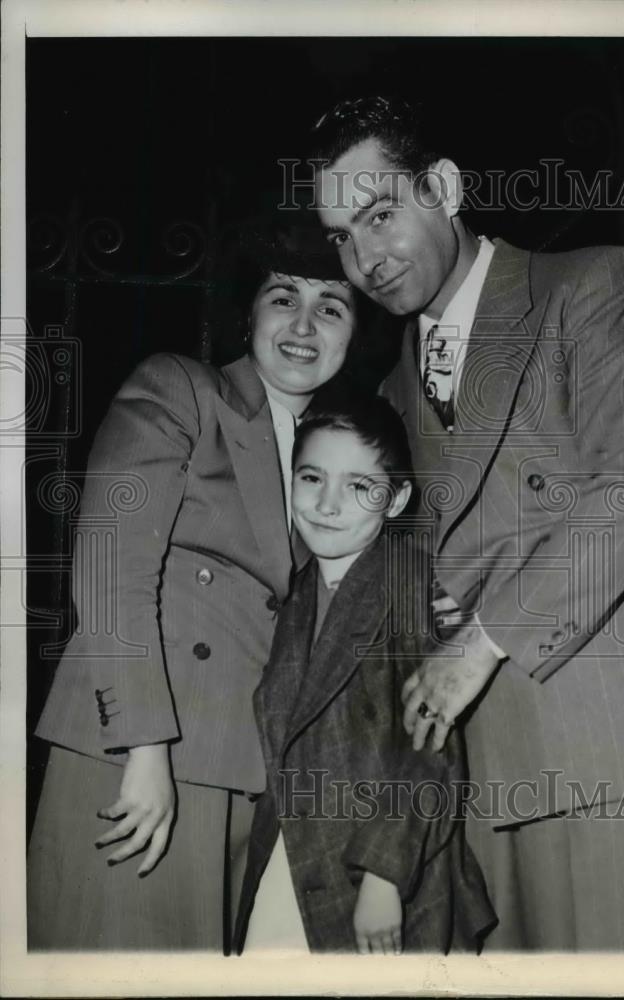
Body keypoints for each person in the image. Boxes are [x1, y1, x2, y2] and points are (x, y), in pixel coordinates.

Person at [310, 96, 624, 951]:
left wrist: (479, 639)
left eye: (380, 214)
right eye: (341, 236)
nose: (365, 258)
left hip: (620, 738)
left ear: (445, 187)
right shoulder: (389, 395)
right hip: (489, 765)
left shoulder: (595, 285)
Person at [27, 214, 358, 951]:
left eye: (331, 306)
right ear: (248, 314)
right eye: (284, 298)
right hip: (139, 754)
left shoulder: (335, 458)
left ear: (352, 332)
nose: (305, 324)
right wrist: (143, 749)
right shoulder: (180, 389)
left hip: (242, 772)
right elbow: (112, 561)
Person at [233, 398, 496, 954]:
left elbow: (431, 750)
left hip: (386, 871)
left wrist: (383, 878)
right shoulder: (295, 594)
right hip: (296, 856)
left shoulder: (409, 586)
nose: (327, 504)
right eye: (311, 478)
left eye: (358, 486)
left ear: (395, 499)